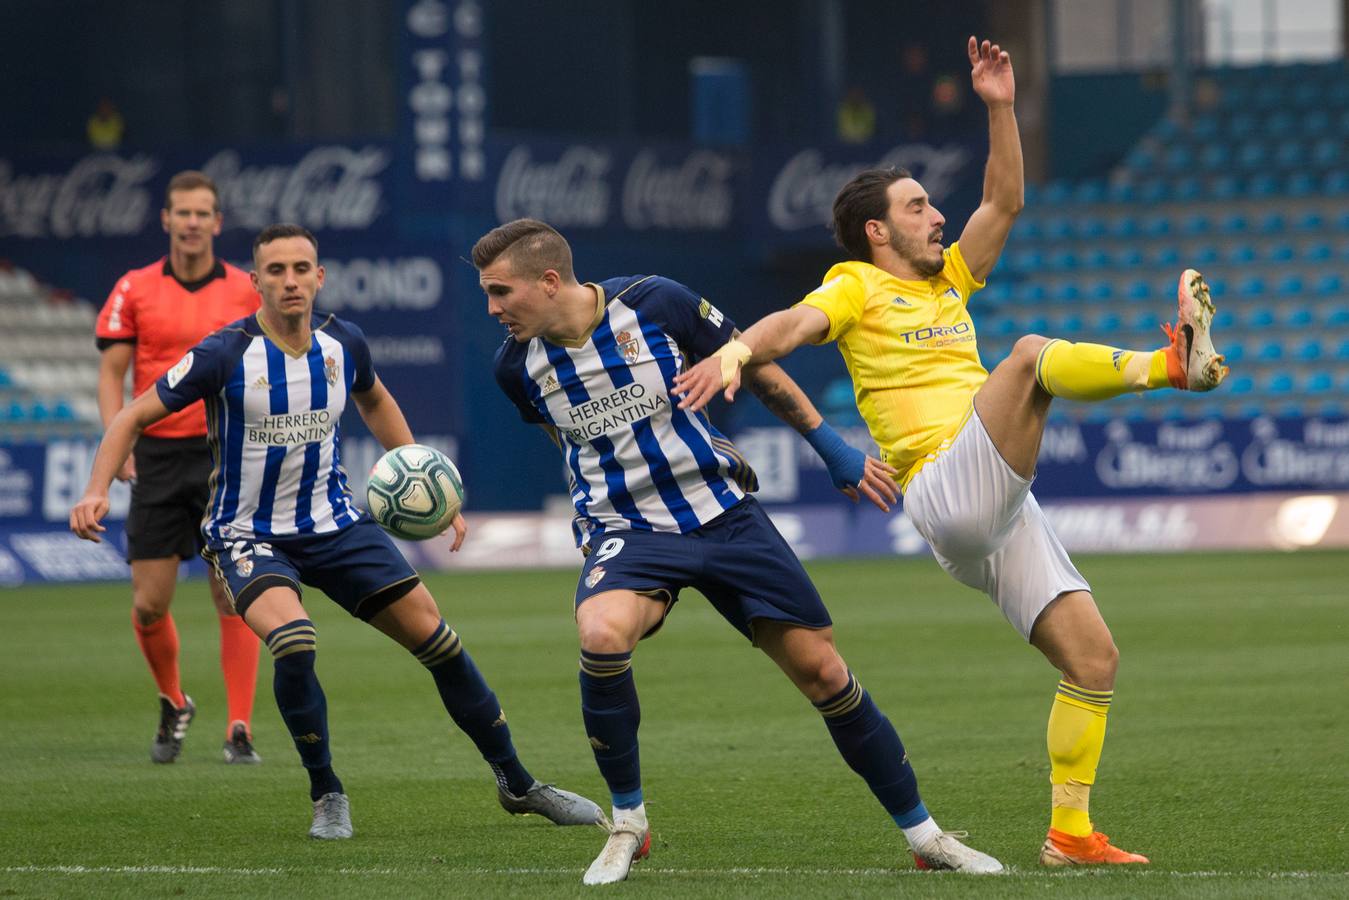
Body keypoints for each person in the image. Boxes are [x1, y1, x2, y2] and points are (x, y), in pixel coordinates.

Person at [674, 36, 1231, 868]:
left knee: (1092, 658)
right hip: (943, 484)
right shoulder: (856, 285)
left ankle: (1068, 833)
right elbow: (790, 326)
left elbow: (1002, 204)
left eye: (935, 206)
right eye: (917, 207)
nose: (937, 216)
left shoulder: (946, 281)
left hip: (994, 505)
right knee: (1028, 354)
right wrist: (736, 351)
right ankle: (1167, 367)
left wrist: (999, 105)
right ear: (876, 229)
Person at [473, 217, 1004, 885]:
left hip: (724, 515)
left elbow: (752, 365)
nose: (492, 310)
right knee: (601, 633)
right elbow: (565, 440)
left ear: (549, 280)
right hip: (630, 530)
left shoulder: (655, 302)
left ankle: (925, 836)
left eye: (500, 292)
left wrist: (830, 448)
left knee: (823, 672)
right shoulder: (513, 368)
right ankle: (628, 823)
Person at [74, 223, 602, 840]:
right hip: (248, 534)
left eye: (302, 268)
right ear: (256, 282)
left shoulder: (342, 341)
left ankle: (518, 783)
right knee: (295, 641)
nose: (291, 281)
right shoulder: (224, 353)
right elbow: (134, 414)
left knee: (439, 641)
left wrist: (429, 482)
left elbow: (374, 400)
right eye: (276, 271)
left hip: (335, 525)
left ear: (319, 277)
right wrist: (95, 489)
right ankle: (326, 792)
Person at [96, 170, 264, 765]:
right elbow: (112, 375)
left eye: (203, 214)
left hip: (224, 455)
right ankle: (174, 700)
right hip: (159, 458)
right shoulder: (134, 288)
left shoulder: (249, 289)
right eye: (182, 213)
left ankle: (239, 727)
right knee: (149, 604)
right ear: (166, 220)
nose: (192, 223)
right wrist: (120, 446)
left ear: (217, 223)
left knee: (232, 593)